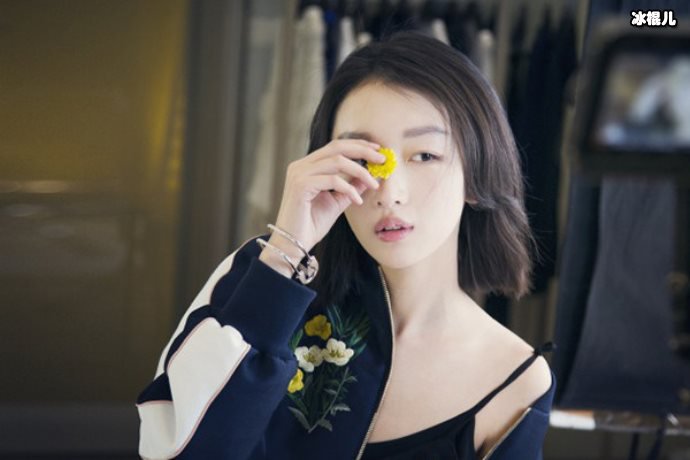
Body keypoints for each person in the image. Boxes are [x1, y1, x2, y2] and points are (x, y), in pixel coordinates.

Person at [136, 31, 556, 460]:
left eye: (425, 156)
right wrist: (285, 254)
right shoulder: (260, 277)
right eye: (362, 159)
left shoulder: (516, 379)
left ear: (477, 173)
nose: (388, 192)